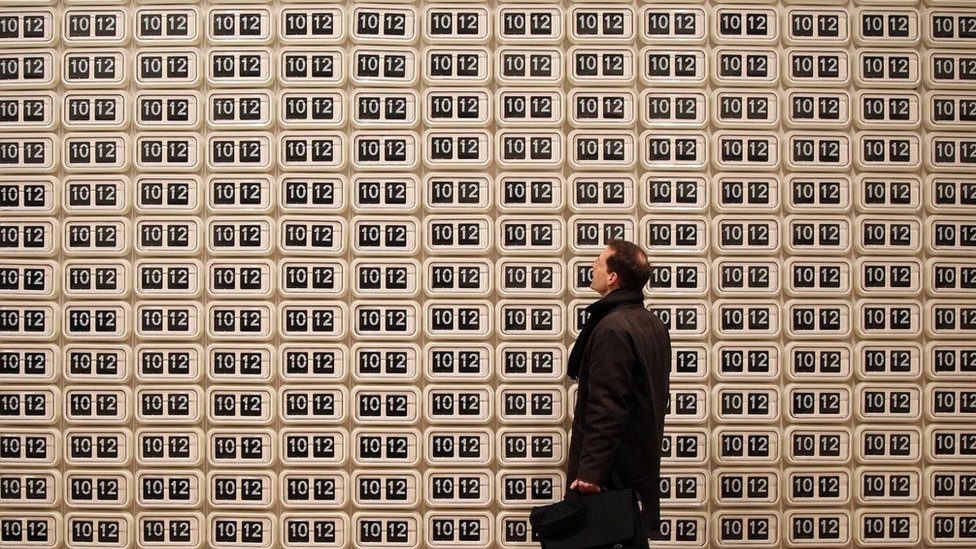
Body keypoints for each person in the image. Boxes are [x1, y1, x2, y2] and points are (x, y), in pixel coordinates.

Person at [566, 239, 672, 542]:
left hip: (611, 475)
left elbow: (607, 406)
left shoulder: (613, 328)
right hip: (637, 468)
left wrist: (590, 473)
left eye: (599, 262)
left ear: (613, 277)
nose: (592, 266)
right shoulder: (651, 323)